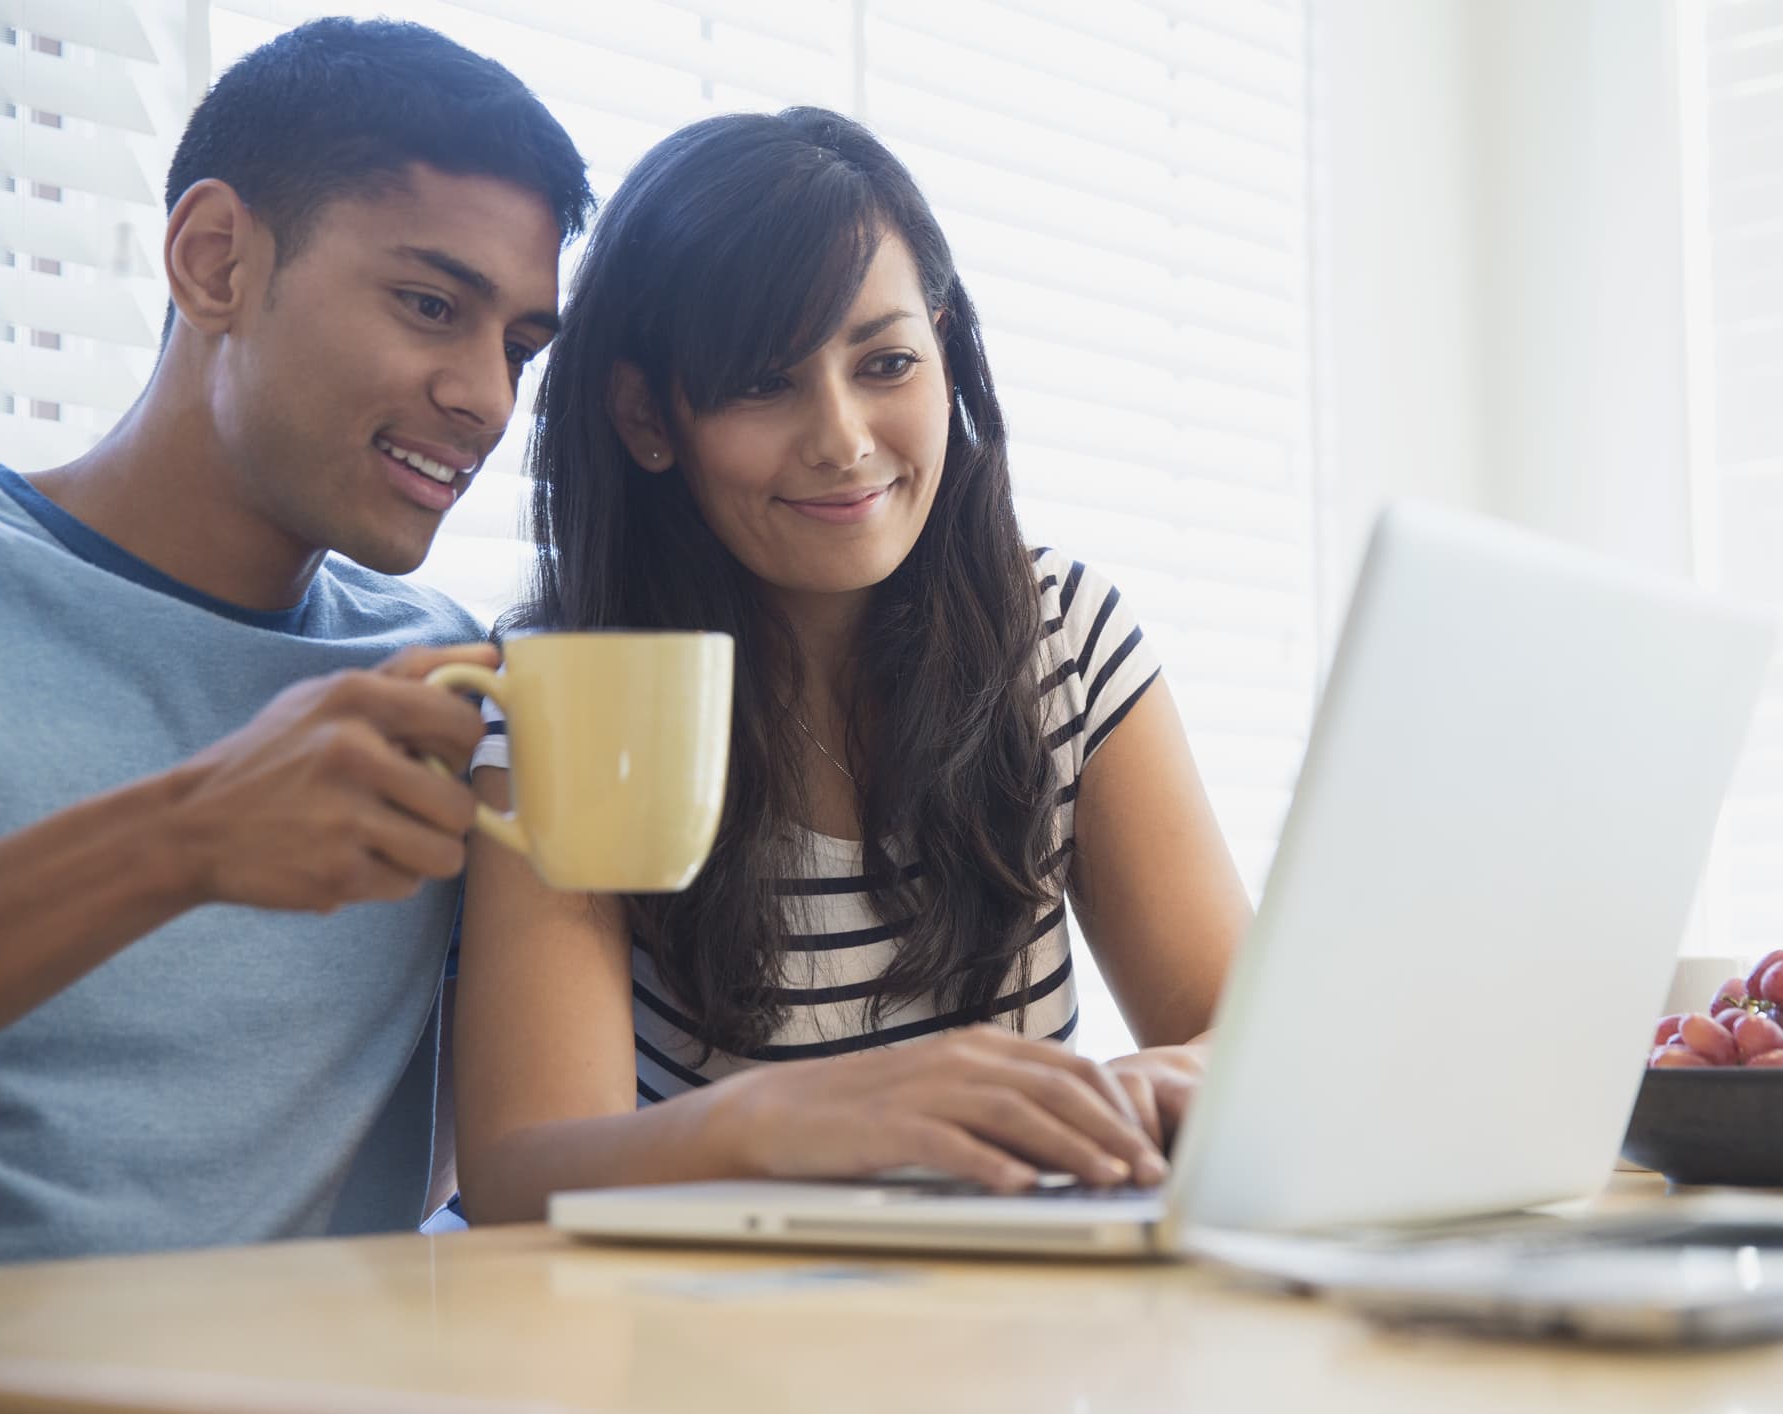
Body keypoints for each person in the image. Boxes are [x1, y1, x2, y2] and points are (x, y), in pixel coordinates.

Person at [451, 109, 1251, 1224]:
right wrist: (784, 1123)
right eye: (763, 384)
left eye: (885, 363)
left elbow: (1254, 1035)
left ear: (945, 346)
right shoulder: (574, 692)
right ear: (647, 415)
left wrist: (1173, 1080)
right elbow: (519, 1171)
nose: (842, 438)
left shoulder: (1059, 629)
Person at [0, 18, 591, 1268]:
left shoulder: (447, 683)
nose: (487, 400)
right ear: (215, 259)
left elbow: (509, 1134)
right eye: (430, 304)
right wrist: (180, 839)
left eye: (517, 348)